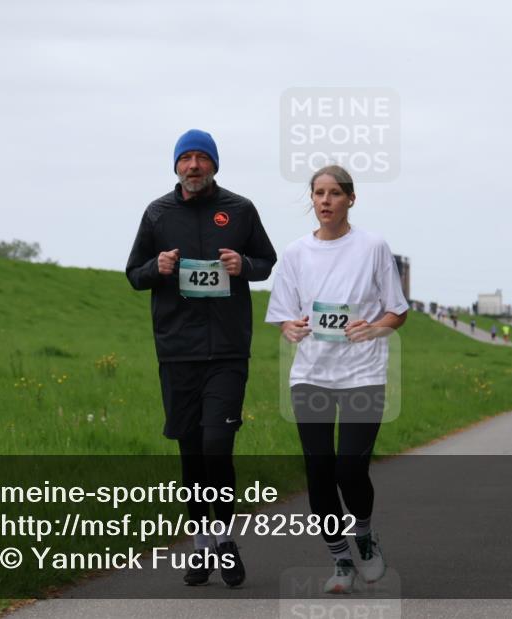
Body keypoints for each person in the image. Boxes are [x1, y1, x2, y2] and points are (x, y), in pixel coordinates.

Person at [126, 129, 277, 587]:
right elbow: (134, 274)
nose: (193, 166)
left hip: (227, 349)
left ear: (214, 165)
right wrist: (158, 269)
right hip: (177, 352)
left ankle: (226, 541)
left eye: (201, 158)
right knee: (191, 455)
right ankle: (202, 546)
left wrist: (243, 267)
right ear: (176, 166)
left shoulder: (240, 210)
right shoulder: (157, 213)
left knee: (217, 447)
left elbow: (267, 261)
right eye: (186, 158)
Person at [266, 165, 408, 594]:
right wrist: (289, 328)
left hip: (362, 374)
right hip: (310, 375)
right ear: (311, 199)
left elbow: (397, 311)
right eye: (318, 193)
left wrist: (375, 328)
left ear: (351, 198)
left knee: (350, 468)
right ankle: (340, 559)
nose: (325, 201)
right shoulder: (294, 253)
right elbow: (284, 317)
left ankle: (363, 535)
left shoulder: (373, 247)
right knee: (319, 471)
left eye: (334, 193)